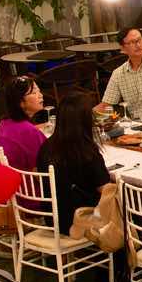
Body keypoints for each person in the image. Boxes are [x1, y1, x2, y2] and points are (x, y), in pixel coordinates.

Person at [36, 92, 112, 233]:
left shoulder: (46, 146)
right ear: (86, 120)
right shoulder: (85, 151)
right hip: (78, 220)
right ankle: (124, 251)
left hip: (52, 217)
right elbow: (105, 189)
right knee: (127, 202)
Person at [0, 75, 47, 171]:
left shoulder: (5, 124)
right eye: (34, 92)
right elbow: (41, 169)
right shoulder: (29, 132)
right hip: (30, 184)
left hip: (9, 182)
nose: (40, 95)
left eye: (39, 91)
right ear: (20, 102)